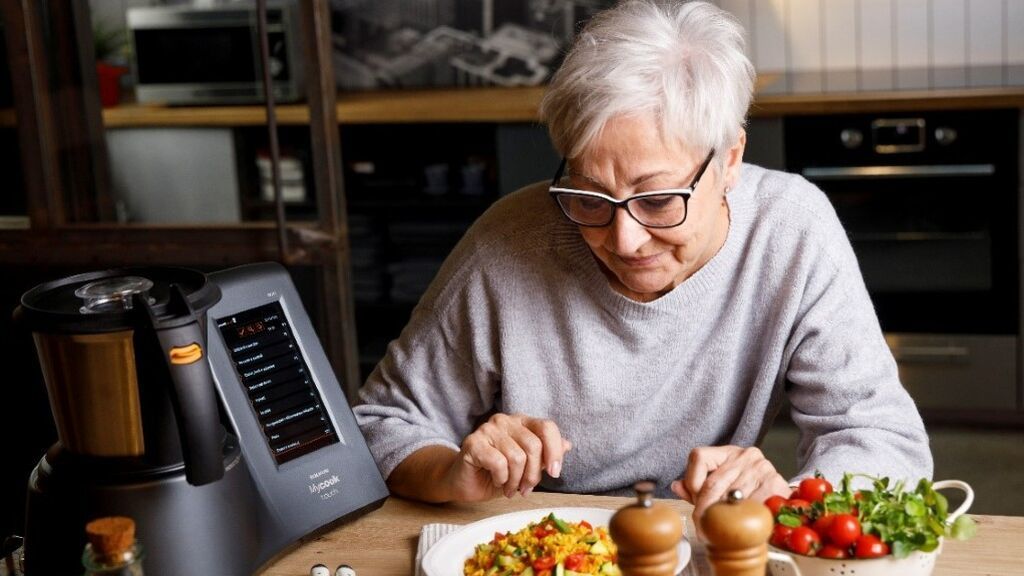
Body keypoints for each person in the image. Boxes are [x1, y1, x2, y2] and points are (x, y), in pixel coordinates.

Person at [353, 0, 932, 524]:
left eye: (657, 200)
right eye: (589, 197)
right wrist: (452, 471)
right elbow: (380, 424)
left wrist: (790, 500)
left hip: (698, 535)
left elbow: (879, 434)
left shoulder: (791, 229)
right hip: (543, 538)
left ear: (730, 158)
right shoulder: (507, 244)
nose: (624, 240)